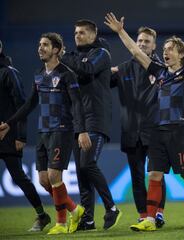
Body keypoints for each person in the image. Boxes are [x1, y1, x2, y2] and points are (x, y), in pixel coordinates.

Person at [104, 11, 184, 231]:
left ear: (180, 54)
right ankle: (150, 219)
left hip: (179, 131)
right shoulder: (159, 72)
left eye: (170, 49)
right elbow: (134, 51)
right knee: (155, 175)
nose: (165, 52)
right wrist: (121, 31)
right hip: (157, 132)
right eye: (165, 49)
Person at [0, 33, 91, 235]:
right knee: (44, 181)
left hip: (61, 130)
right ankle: (75, 210)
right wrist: (9, 123)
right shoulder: (39, 74)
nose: (40, 48)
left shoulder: (67, 74)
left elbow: (77, 104)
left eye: (45, 45)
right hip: (43, 131)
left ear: (56, 49)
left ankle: (60, 223)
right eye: (39, 44)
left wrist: (82, 130)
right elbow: (30, 104)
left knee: (54, 175)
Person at [60, 19, 121, 231]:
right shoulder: (75, 57)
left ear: (93, 36)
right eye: (76, 32)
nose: (77, 35)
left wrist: (64, 56)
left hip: (96, 118)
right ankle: (87, 219)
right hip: (80, 121)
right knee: (81, 173)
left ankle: (111, 207)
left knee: (88, 164)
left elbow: (86, 70)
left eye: (82, 32)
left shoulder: (101, 54)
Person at [110, 26, 167, 227]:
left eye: (146, 41)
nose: (142, 44)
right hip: (131, 130)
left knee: (156, 174)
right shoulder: (123, 68)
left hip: (155, 130)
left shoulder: (161, 68)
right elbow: (100, 84)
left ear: (154, 46)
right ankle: (143, 214)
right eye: (140, 40)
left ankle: (158, 212)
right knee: (136, 176)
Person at [0, 40, 51, 232]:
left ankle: (41, 215)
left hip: (8, 135)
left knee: (18, 177)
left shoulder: (9, 72)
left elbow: (23, 104)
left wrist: (20, 135)